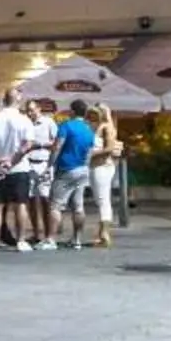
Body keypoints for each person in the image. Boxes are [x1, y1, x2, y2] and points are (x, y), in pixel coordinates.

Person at [0, 93, 41, 252]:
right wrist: (12, 161)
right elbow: (28, 144)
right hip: (19, 168)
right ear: (18, 101)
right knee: (20, 204)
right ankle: (20, 240)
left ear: (3, 101)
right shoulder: (24, 120)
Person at [49, 98, 100, 248]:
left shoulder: (66, 126)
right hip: (82, 170)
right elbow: (90, 152)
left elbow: (58, 146)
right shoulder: (89, 130)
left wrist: (50, 164)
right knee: (78, 206)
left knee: (55, 206)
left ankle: (50, 239)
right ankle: (77, 239)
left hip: (66, 168)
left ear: (72, 111)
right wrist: (85, 166)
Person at [87, 105, 122, 246]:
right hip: (97, 166)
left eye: (95, 113)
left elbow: (108, 148)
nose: (92, 115)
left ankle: (104, 234)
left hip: (102, 166)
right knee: (100, 199)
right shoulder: (97, 127)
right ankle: (102, 233)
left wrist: (90, 155)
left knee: (102, 200)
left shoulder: (107, 127)